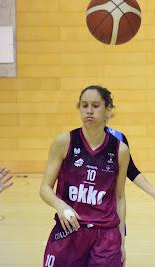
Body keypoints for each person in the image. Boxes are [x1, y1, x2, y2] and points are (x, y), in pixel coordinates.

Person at [40, 85, 129, 267]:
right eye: (84, 105)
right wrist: (60, 205)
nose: (89, 110)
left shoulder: (120, 150)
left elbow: (119, 198)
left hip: (105, 237)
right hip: (69, 231)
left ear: (108, 111)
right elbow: (44, 188)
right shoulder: (64, 142)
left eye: (95, 105)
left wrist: (122, 242)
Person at [106, 127, 155, 210]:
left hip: (108, 208)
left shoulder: (118, 137)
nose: (90, 113)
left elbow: (131, 170)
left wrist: (154, 192)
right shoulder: (84, 139)